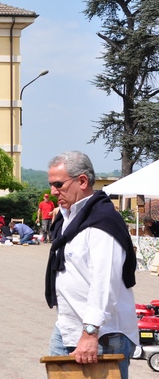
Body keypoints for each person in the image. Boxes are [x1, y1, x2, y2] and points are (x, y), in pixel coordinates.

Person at [45, 151, 138, 379]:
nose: (53, 191)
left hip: (102, 334)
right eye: (51, 184)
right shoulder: (68, 218)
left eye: (58, 184)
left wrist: (89, 332)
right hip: (67, 327)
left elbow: (104, 281)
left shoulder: (102, 221)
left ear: (83, 181)